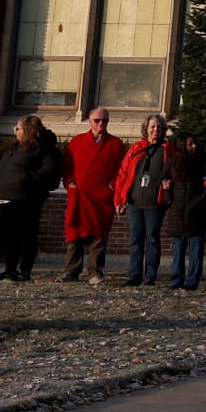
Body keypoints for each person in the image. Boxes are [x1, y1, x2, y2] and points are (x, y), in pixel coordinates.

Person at [0, 115, 61, 284]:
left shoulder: (44, 149)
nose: (15, 131)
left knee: (26, 235)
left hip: (27, 200)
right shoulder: (14, 148)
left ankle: (25, 270)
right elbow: (2, 168)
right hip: (5, 197)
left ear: (28, 130)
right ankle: (9, 270)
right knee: (8, 236)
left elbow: (48, 173)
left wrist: (26, 180)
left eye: (18, 128)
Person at [61, 106, 127, 284]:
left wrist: (112, 187)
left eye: (104, 120)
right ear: (89, 121)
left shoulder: (115, 144)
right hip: (80, 195)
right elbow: (67, 167)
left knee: (99, 235)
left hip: (101, 197)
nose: (101, 124)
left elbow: (122, 170)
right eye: (97, 120)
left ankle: (95, 272)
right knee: (75, 233)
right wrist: (71, 184)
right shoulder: (77, 141)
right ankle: (71, 271)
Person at [116, 115, 170, 286]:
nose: (156, 130)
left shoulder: (167, 149)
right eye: (153, 127)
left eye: (159, 127)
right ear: (146, 129)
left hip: (155, 202)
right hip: (135, 201)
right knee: (135, 239)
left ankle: (150, 276)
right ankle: (134, 275)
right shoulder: (136, 149)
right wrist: (120, 199)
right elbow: (123, 174)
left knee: (152, 238)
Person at [161, 132, 206, 290]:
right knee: (178, 247)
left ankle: (193, 280)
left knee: (196, 248)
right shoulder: (172, 163)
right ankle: (176, 278)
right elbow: (164, 182)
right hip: (178, 210)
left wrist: (202, 199)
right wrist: (170, 200)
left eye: (194, 143)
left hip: (197, 211)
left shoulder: (201, 162)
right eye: (190, 144)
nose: (194, 146)